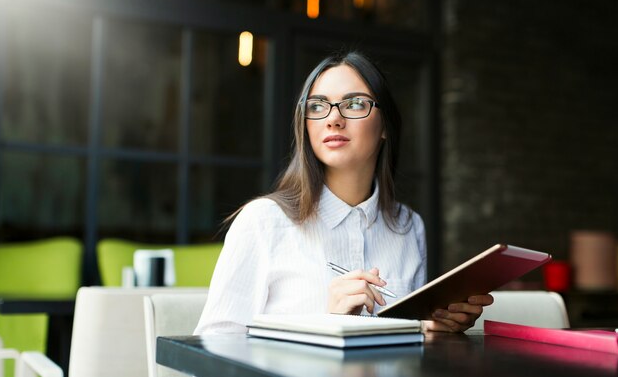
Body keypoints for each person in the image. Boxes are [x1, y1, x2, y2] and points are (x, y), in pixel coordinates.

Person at [194, 51, 492, 334]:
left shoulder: (409, 226)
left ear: (385, 124)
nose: (333, 119)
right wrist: (328, 325)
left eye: (354, 104)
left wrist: (436, 327)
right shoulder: (263, 222)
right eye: (317, 106)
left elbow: (406, 352)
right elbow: (213, 346)